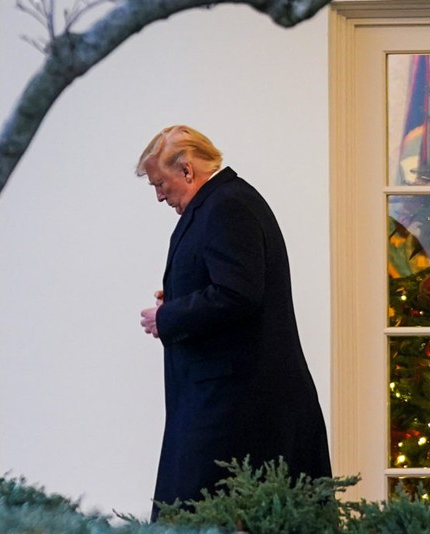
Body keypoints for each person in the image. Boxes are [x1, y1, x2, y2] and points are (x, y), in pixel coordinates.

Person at [137, 125, 332, 521]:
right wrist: (177, 300)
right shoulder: (225, 202)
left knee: (201, 520)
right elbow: (230, 286)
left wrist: (168, 316)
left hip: (232, 414)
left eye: (160, 184)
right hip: (229, 406)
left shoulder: (226, 206)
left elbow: (237, 293)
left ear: (187, 171)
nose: (158, 196)